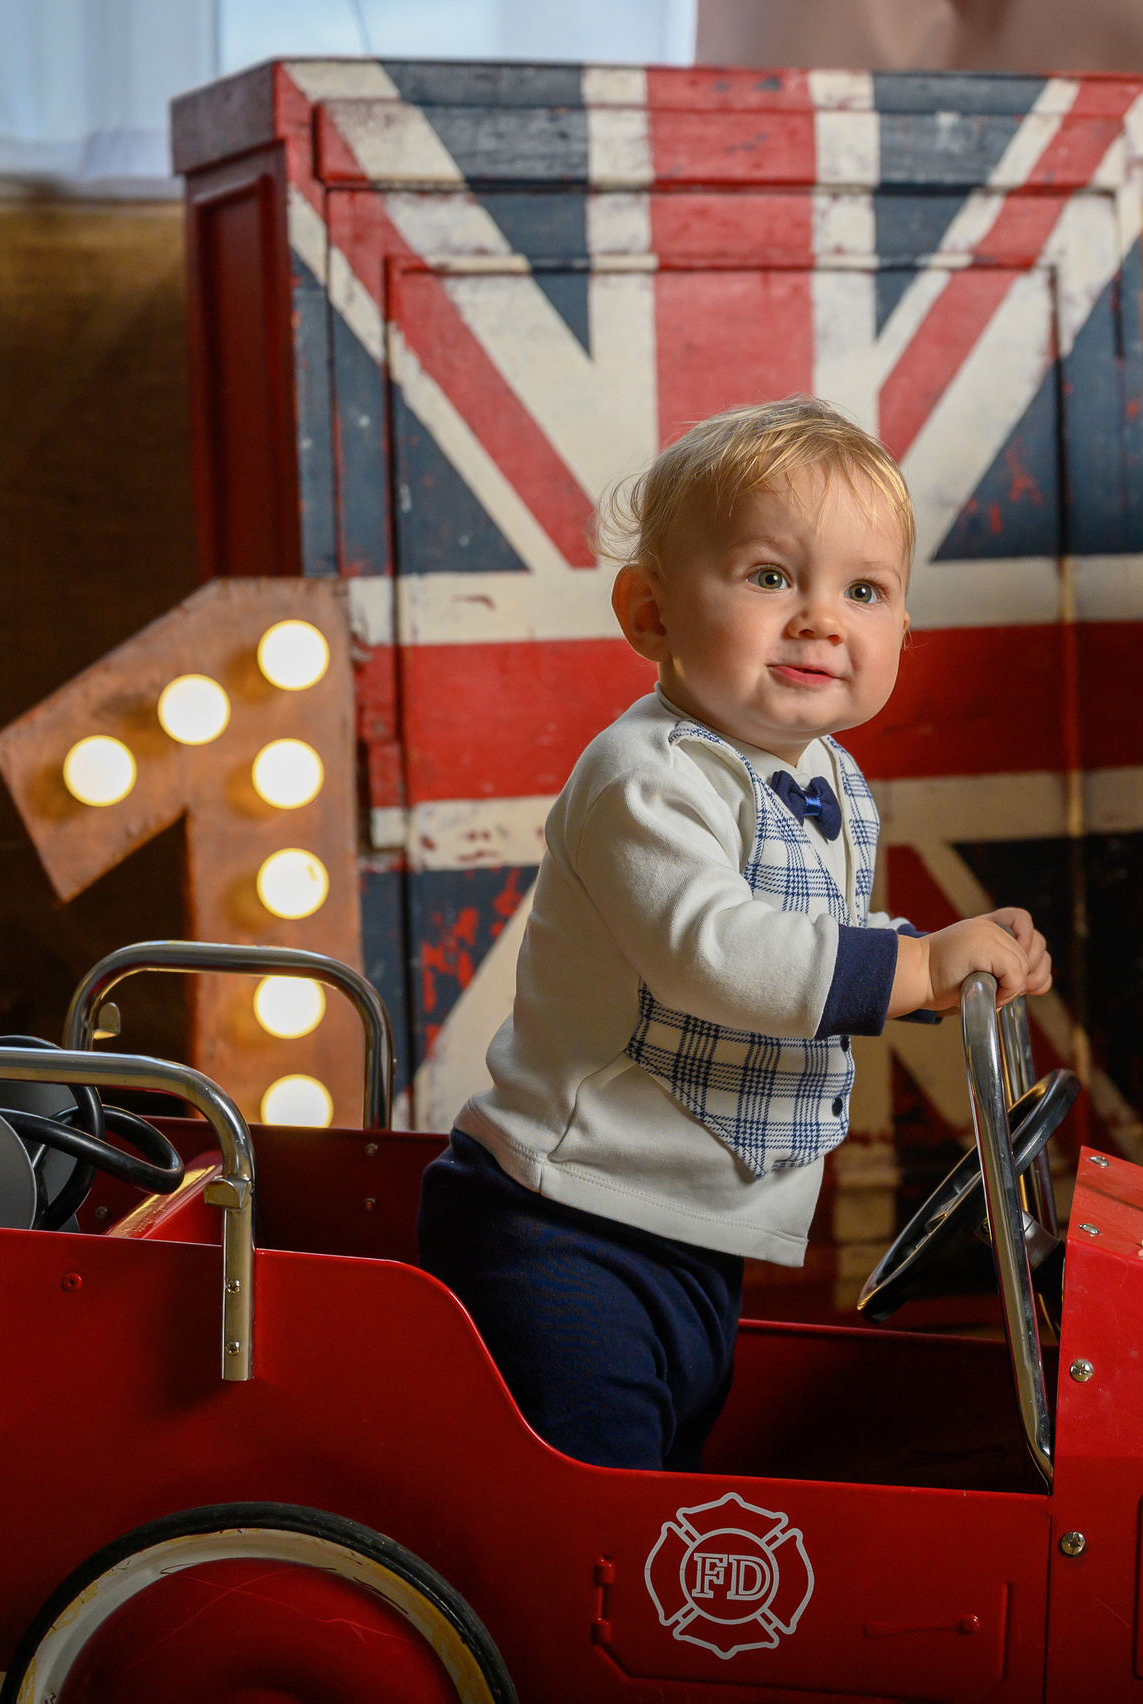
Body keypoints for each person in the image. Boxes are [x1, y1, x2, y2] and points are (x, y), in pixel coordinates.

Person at [417, 395, 1052, 1472]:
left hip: (696, 1225)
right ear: (650, 613)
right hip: (566, 1223)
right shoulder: (643, 777)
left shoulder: (827, 777)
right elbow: (718, 952)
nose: (819, 619)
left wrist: (939, 968)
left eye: (863, 591)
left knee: (668, 1470)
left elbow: (814, 932)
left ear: (903, 632)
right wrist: (912, 967)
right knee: (597, 1496)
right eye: (769, 577)